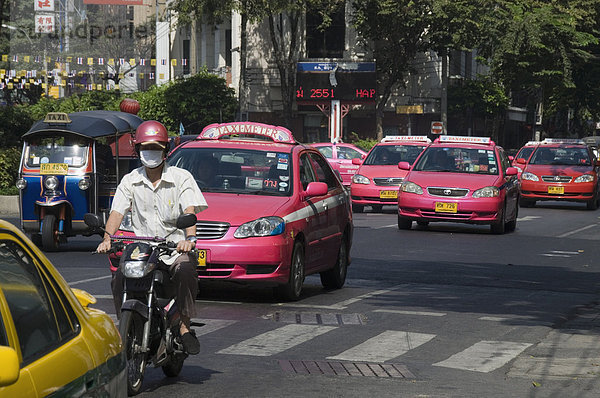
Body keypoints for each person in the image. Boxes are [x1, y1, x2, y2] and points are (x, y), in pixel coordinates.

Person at [96, 120, 208, 355]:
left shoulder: (181, 177)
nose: (151, 153)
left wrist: (189, 239)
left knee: (185, 270)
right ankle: (123, 327)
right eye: (147, 148)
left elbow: (189, 212)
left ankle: (184, 325)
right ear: (137, 150)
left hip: (174, 247)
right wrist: (107, 237)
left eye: (157, 148)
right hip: (142, 248)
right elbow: (117, 212)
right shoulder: (130, 180)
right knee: (119, 275)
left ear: (165, 150)